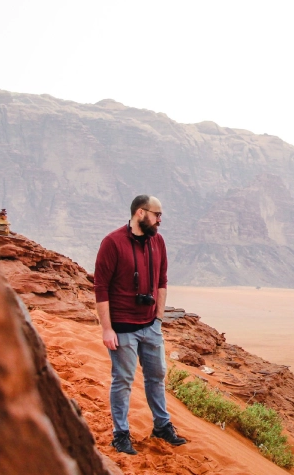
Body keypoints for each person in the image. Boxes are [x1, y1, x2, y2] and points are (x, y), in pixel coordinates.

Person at [94, 195, 187, 455]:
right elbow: (100, 287)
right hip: (122, 328)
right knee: (122, 380)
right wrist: (107, 328)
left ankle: (162, 425)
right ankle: (120, 434)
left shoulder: (158, 241)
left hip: (150, 326)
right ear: (140, 213)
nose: (160, 220)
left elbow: (162, 280)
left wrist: (157, 318)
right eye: (157, 214)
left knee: (156, 377)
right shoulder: (112, 243)